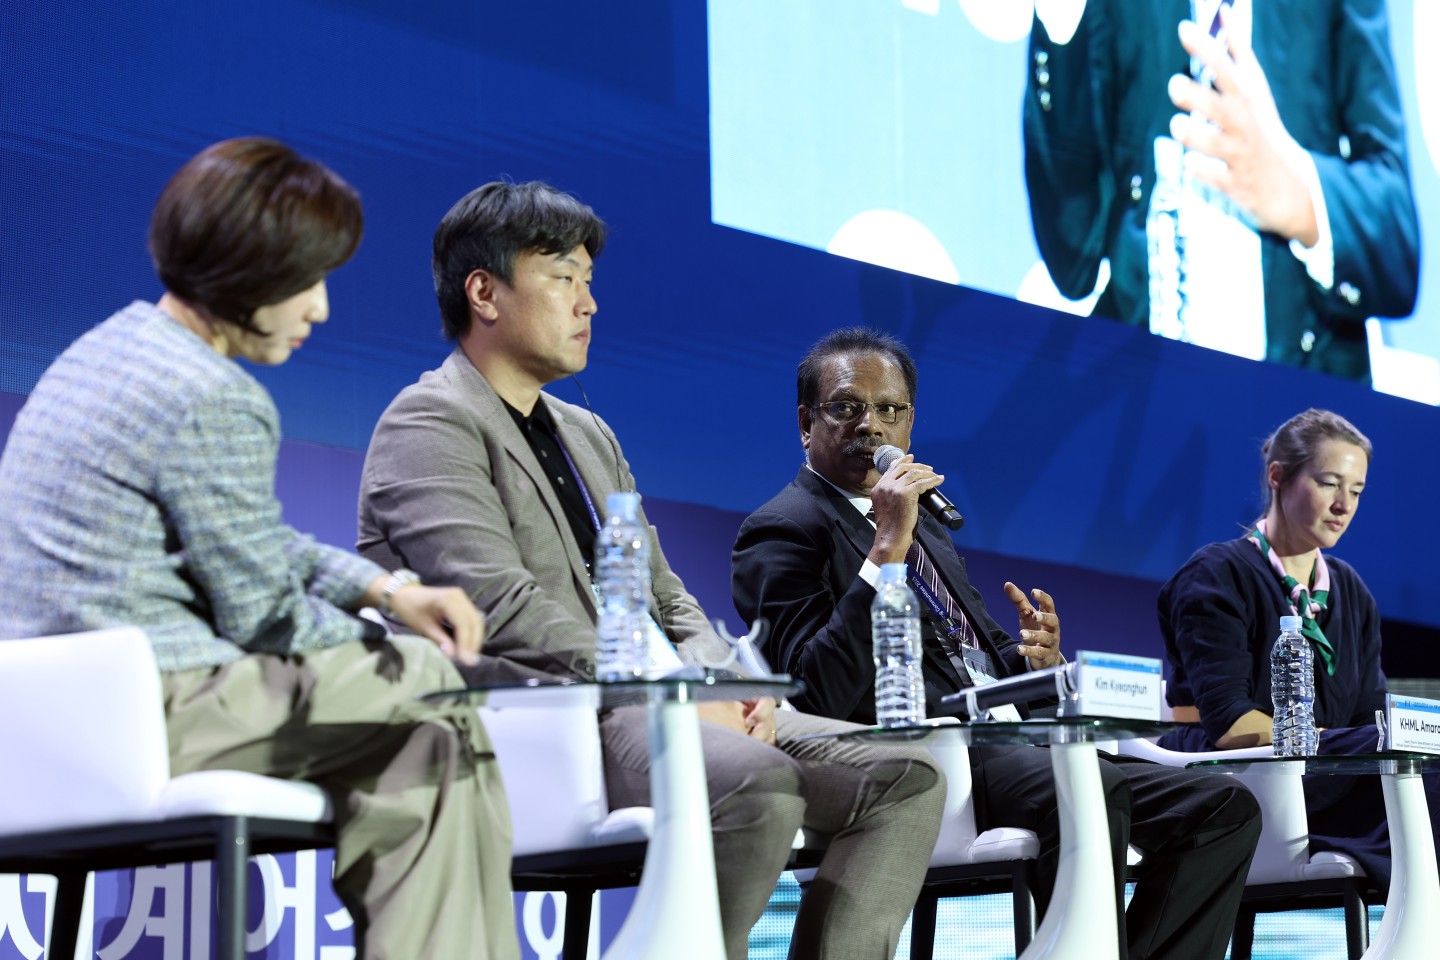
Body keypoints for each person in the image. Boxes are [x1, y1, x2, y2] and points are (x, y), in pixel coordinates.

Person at [356, 180, 947, 960]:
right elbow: (500, 606)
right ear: (484, 293)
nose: (588, 303)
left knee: (907, 777)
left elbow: (666, 593)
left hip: (653, 699)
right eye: (563, 278)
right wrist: (677, 691)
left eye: (589, 280)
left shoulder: (588, 433)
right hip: (548, 713)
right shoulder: (428, 421)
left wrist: (723, 682)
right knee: (759, 786)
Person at [0, 139, 517, 960]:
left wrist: (387, 593)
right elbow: (267, 619)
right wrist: (391, 644)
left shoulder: (102, 352)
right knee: (425, 685)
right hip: (151, 708)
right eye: (307, 280)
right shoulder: (212, 395)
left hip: (46, 717)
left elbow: (249, 539)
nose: (320, 309)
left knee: (424, 746)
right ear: (249, 270)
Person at [731, 326, 1262, 960]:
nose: (869, 425)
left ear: (909, 424)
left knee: (1224, 807)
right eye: (846, 407)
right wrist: (885, 551)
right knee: (1094, 791)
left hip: (1014, 742)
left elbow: (966, 660)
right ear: (805, 423)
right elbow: (813, 690)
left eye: (889, 410)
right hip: (926, 755)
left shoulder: (925, 527)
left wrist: (1032, 659)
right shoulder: (784, 528)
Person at [1023, 0, 1419, 382]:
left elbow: (1397, 243)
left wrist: (1300, 200)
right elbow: (1073, 259)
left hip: (1301, 396)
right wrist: (1060, 19)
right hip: (1145, 394)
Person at [1158, 408, 1439, 891]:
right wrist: (1346, 745)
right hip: (1239, 780)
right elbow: (1230, 724)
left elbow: (1370, 717)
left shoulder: (1351, 590)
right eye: (1329, 483)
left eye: (1357, 491)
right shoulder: (1217, 574)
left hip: (1330, 775)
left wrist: (1364, 743)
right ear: (1277, 477)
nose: (1343, 505)